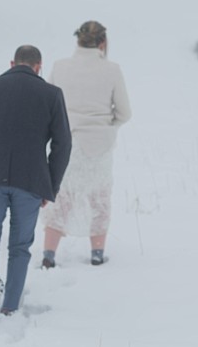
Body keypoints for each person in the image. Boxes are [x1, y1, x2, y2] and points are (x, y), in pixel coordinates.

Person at [0, 44, 71, 326]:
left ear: (12, 63)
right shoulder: (51, 94)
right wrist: (50, 185)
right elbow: (63, 145)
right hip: (31, 182)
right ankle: (9, 307)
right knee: (20, 246)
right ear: (39, 66)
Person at [41, 21, 132, 268]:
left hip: (67, 142)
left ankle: (49, 254)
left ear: (77, 40)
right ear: (102, 42)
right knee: (99, 197)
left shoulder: (60, 67)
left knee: (61, 197)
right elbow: (125, 112)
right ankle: (97, 254)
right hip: (98, 146)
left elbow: (49, 104)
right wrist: (107, 125)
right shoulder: (112, 70)